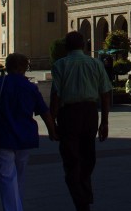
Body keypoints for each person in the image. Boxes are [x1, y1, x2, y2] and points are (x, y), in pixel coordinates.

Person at [0, 53, 57, 211]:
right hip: (24, 138)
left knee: (6, 178)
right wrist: (52, 130)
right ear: (23, 67)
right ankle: (17, 206)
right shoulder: (30, 87)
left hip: (1, 137)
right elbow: (44, 112)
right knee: (19, 177)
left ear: (7, 67)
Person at [50, 31, 112, 211]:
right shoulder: (96, 63)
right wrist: (105, 122)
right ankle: (84, 197)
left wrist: (52, 122)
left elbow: (55, 96)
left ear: (66, 47)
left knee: (71, 159)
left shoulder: (60, 65)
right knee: (88, 157)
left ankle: (81, 201)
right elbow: (105, 94)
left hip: (69, 114)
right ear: (84, 46)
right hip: (90, 113)